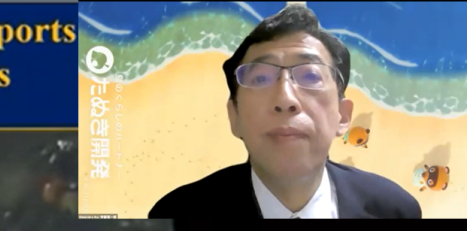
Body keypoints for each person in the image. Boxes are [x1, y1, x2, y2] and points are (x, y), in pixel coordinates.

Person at [148, 5, 419, 219]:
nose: (285, 99)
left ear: (343, 116)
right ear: (234, 116)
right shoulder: (176, 213)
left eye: (310, 76)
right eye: (260, 78)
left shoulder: (395, 210)